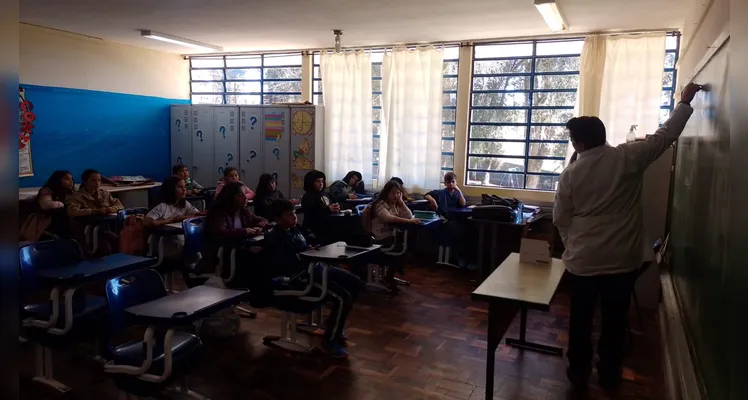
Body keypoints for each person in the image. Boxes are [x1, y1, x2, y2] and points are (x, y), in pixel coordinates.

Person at [553, 82, 701, 392]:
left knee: (580, 322)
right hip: (622, 262)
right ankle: (609, 374)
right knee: (614, 322)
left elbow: (560, 219)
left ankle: (577, 375)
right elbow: (666, 135)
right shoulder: (629, 157)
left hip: (583, 263)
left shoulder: (571, 174)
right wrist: (685, 102)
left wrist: (574, 244)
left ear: (578, 142)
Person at [263, 198, 363, 358]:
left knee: (355, 282)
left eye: (295, 214)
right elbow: (285, 265)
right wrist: (304, 256)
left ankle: (332, 326)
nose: (294, 218)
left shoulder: (295, 230)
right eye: (289, 215)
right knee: (343, 297)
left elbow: (304, 247)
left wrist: (311, 249)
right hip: (301, 276)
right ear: (277, 218)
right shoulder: (274, 237)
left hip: (314, 267)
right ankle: (329, 342)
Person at [199, 181, 269, 275]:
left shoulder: (243, 211)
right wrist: (244, 231)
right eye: (240, 195)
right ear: (230, 197)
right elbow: (221, 232)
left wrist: (259, 227)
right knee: (255, 258)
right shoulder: (218, 212)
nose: (245, 198)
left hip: (236, 249)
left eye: (244, 194)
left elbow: (264, 220)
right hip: (221, 254)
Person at [364, 180, 420, 289]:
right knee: (404, 252)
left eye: (398, 193)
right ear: (387, 193)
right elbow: (387, 218)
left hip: (391, 236)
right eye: (393, 193)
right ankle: (390, 275)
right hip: (380, 238)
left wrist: (401, 202)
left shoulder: (395, 204)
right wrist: (408, 222)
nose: (396, 195)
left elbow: (408, 215)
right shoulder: (380, 204)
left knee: (409, 243)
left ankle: (390, 274)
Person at [143, 176, 202, 260]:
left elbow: (197, 215)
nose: (184, 190)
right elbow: (147, 221)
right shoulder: (163, 206)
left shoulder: (184, 203)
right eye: (180, 187)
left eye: (184, 187)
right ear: (171, 190)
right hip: (165, 244)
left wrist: (181, 218)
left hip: (179, 242)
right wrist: (169, 220)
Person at [67, 169, 125, 255]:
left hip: (102, 229)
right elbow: (73, 211)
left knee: (118, 241)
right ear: (85, 181)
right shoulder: (76, 196)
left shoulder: (104, 194)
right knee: (105, 248)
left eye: (99, 180)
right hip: (84, 232)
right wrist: (94, 211)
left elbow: (119, 206)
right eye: (93, 180)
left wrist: (108, 209)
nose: (97, 183)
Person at [300, 170, 340, 243]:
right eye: (317, 181)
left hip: (327, 226)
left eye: (322, 181)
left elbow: (331, 205)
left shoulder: (326, 194)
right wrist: (328, 209)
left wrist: (336, 207)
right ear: (310, 182)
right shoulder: (308, 196)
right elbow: (311, 214)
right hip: (314, 229)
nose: (321, 184)